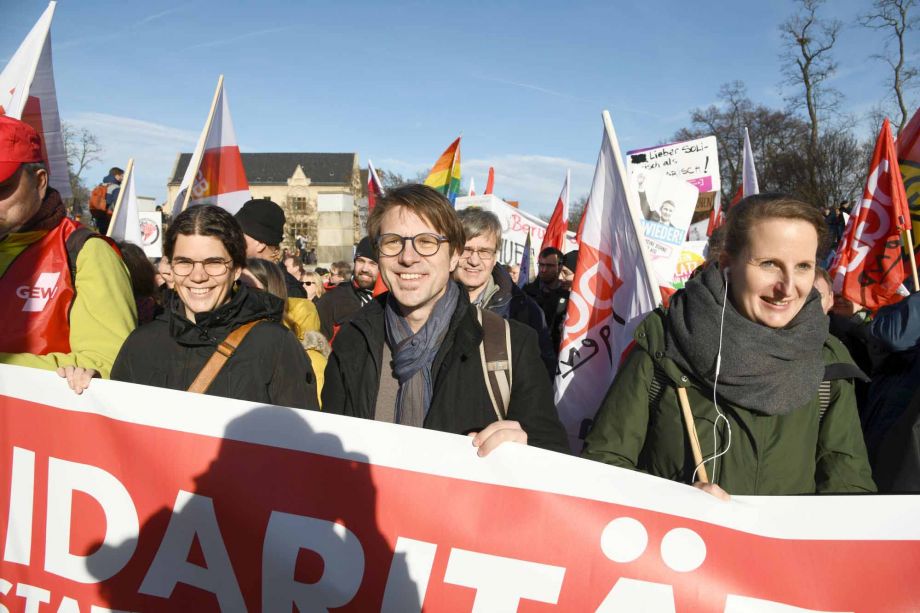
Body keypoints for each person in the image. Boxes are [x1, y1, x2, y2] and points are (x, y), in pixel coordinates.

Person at [583, 193, 875, 496]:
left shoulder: (827, 361)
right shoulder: (664, 343)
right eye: (769, 264)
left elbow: (848, 491)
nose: (787, 288)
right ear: (727, 264)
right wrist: (675, 504)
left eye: (803, 266)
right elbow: (603, 467)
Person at [322, 184, 569, 455]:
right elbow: (330, 454)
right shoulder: (352, 340)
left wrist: (527, 447)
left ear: (453, 256)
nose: (407, 257)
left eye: (426, 242)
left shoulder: (513, 345)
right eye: (393, 242)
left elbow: (554, 454)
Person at [60, 205, 319, 409]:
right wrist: (92, 394)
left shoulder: (276, 346)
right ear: (170, 268)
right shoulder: (140, 344)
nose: (198, 276)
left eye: (213, 263)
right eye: (185, 262)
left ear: (237, 269)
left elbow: (298, 455)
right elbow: (118, 440)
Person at [0, 115, 136, 379]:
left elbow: (107, 364)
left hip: (35, 417)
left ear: (40, 182)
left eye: (2, 188)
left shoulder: (85, 252)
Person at [453, 208, 556, 377]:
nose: (474, 260)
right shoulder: (425, 301)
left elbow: (541, 380)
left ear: (495, 257)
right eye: (466, 249)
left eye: (484, 251)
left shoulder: (526, 312)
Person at [240, 257, 328, 406]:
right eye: (237, 287)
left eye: (249, 289)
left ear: (271, 292)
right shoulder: (223, 338)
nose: (240, 295)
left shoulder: (307, 357)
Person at [234, 198, 320, 341]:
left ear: (260, 243)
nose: (231, 240)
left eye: (239, 235)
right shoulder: (229, 276)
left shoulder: (290, 291)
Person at [315, 237, 379, 340]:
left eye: (373, 263)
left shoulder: (390, 302)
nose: (365, 269)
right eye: (361, 261)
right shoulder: (331, 300)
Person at [523, 246, 569, 352]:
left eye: (549, 266)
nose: (543, 270)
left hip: (554, 351)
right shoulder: (526, 292)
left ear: (560, 267)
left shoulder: (567, 296)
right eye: (541, 265)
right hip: (528, 350)